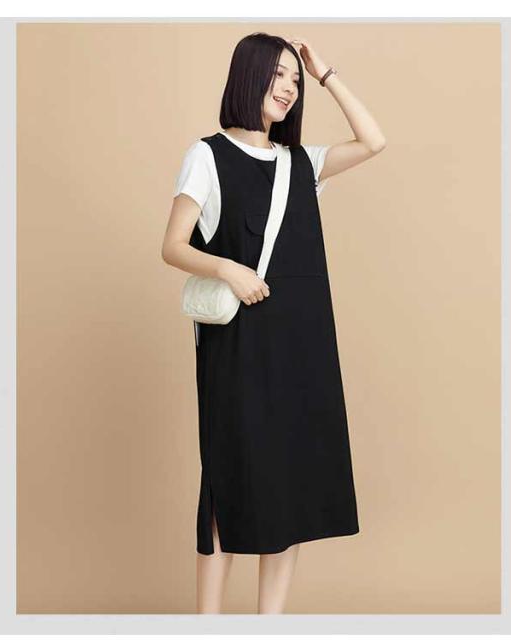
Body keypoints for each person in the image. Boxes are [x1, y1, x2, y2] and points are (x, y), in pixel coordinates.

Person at [162, 32, 386, 614]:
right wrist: (229, 270)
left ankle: (269, 624)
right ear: (248, 75)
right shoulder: (207, 155)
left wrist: (325, 73)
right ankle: (208, 623)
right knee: (228, 478)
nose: (289, 88)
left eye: (294, 78)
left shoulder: (301, 164)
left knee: (287, 485)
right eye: (278, 75)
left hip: (301, 348)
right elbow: (173, 245)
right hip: (238, 346)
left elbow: (374, 140)